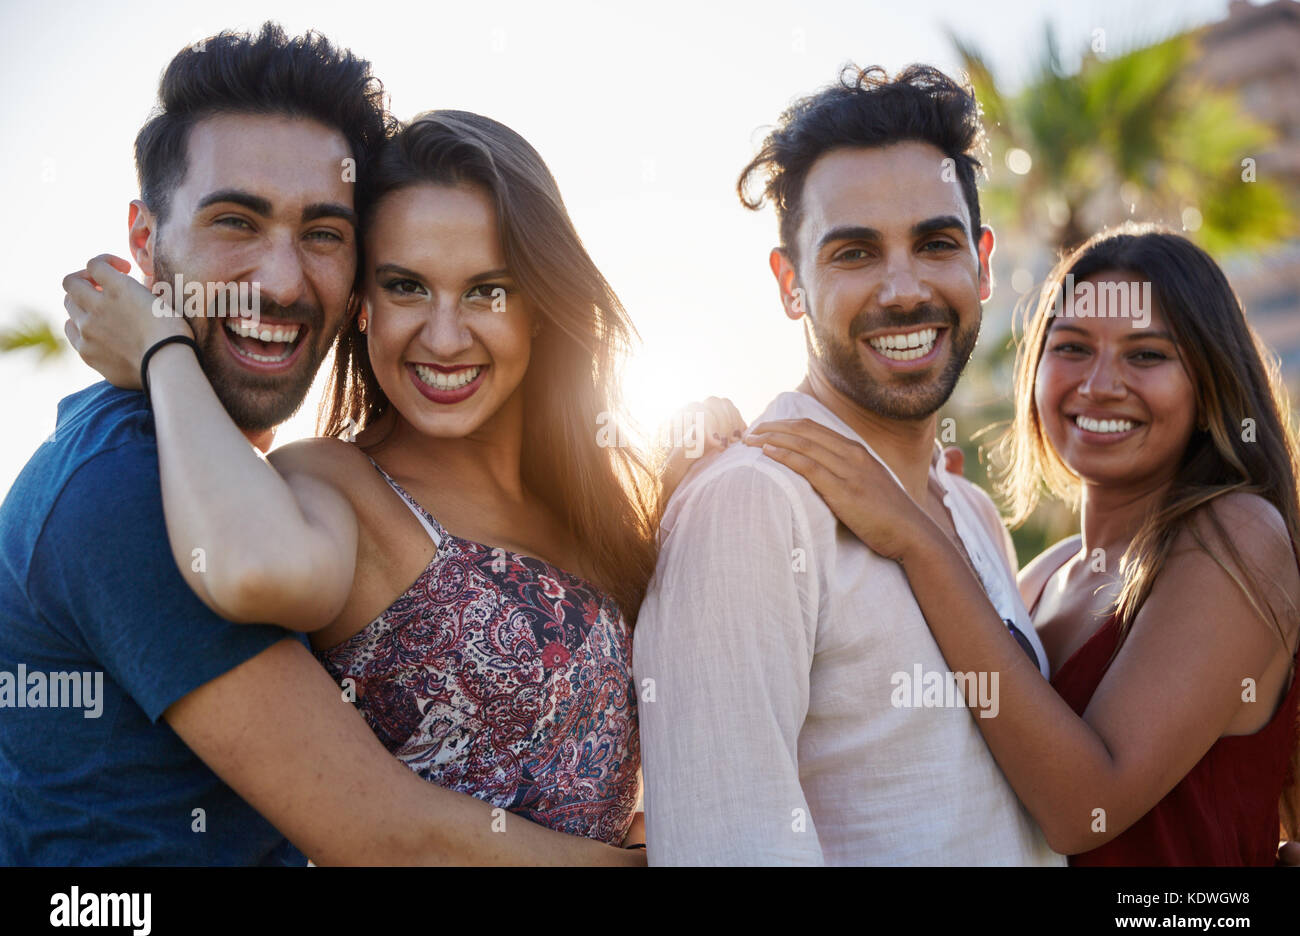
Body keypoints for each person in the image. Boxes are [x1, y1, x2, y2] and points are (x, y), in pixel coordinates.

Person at [4, 23, 638, 865]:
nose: (280, 281)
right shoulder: (128, 483)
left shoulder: (234, 475)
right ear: (147, 242)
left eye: (323, 233)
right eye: (236, 220)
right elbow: (386, 836)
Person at [748, 224, 1300, 864]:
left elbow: (1082, 810)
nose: (1098, 384)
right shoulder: (1044, 574)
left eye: (1146, 355)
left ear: (1209, 387)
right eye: (1071, 348)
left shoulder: (1238, 534)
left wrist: (917, 535)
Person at [631, 64, 1063, 865]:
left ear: (983, 263)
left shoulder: (971, 514)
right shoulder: (749, 508)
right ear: (791, 284)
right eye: (855, 253)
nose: (904, 291)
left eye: (936, 243)